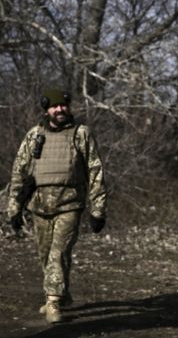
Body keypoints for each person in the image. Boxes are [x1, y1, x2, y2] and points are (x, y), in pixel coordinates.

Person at [6, 89, 108, 324]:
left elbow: (95, 171)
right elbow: (19, 171)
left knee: (58, 253)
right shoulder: (34, 136)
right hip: (39, 206)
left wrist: (98, 209)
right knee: (45, 255)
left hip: (70, 204)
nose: (60, 109)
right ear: (46, 109)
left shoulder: (81, 134)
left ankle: (52, 300)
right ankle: (60, 294)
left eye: (63, 105)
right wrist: (13, 208)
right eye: (54, 106)